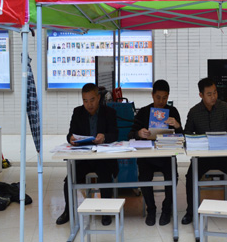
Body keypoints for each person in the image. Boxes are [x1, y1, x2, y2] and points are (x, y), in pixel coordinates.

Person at [181, 78, 227, 225]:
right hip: (203, 156)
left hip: (223, 155)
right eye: (209, 94)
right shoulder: (194, 112)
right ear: (201, 95)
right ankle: (191, 212)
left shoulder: (224, 107)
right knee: (190, 177)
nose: (213, 97)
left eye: (215, 93)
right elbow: (187, 134)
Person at [56, 83, 119, 226]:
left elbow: (115, 134)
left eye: (92, 100)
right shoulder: (78, 112)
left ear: (98, 98)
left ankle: (106, 211)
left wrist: (105, 137)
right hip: (83, 158)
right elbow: (70, 134)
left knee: (105, 177)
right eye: (85, 101)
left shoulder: (109, 112)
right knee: (69, 180)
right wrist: (71, 139)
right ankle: (68, 211)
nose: (89, 104)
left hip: (102, 158)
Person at [128, 80, 182, 226]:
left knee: (173, 177)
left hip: (166, 156)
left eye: (164, 98)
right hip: (147, 156)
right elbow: (130, 134)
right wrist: (139, 133)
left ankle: (166, 209)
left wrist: (177, 126)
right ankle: (151, 209)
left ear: (168, 96)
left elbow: (182, 136)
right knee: (144, 177)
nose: (161, 101)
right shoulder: (144, 112)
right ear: (152, 95)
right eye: (158, 97)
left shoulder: (173, 112)